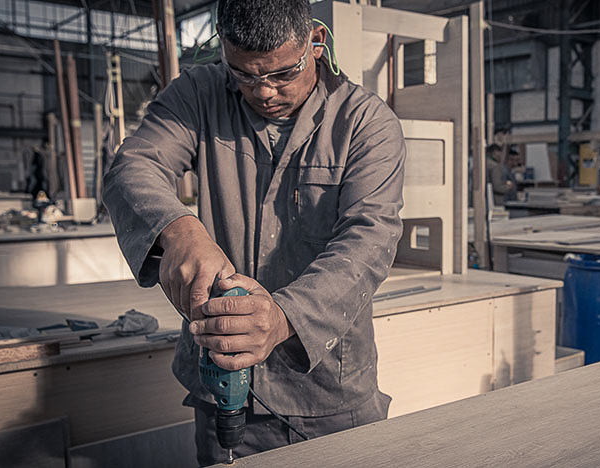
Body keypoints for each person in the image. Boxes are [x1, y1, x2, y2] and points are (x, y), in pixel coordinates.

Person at [102, 0, 405, 464]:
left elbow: (369, 240)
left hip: (330, 393)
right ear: (223, 52)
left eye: (282, 73)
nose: (264, 92)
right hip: (219, 382)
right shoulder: (199, 94)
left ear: (315, 44)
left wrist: (284, 316)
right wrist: (179, 230)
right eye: (245, 74)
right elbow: (134, 165)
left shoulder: (365, 122)